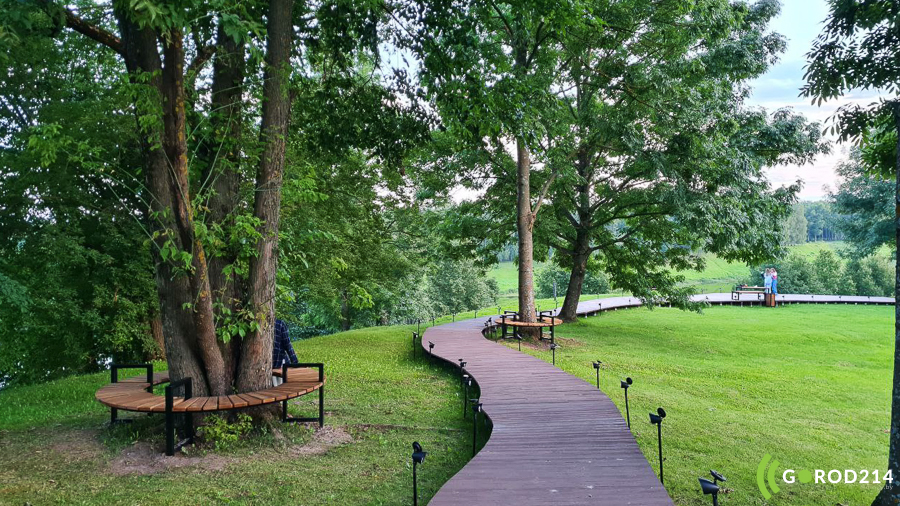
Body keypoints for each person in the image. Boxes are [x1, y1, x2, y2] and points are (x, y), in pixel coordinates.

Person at [272, 318, 298, 386]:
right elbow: (287, 343)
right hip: (279, 362)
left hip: (274, 363)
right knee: (281, 387)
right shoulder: (279, 323)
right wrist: (295, 362)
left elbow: (287, 344)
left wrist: (294, 362)